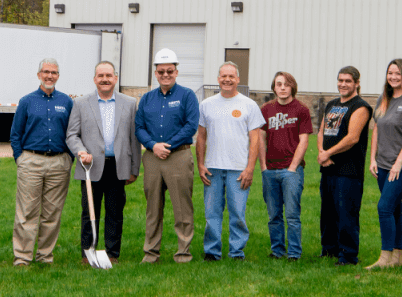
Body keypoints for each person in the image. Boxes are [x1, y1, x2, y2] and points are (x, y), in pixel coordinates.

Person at [66, 61, 141, 264]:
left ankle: (112, 253)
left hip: (118, 166)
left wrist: (134, 169)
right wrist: (81, 152)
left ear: (115, 78)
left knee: (115, 212)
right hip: (91, 166)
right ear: (94, 79)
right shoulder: (81, 103)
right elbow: (72, 134)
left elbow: (134, 138)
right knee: (89, 210)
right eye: (101, 76)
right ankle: (87, 253)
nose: (105, 79)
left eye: (109, 75)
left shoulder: (129, 103)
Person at [136, 48, 200, 264]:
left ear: (176, 71)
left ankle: (183, 253)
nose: (165, 75)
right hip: (153, 158)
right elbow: (139, 127)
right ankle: (151, 252)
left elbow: (191, 125)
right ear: (155, 73)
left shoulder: (187, 95)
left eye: (169, 71)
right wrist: (153, 146)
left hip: (178, 157)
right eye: (161, 71)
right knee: (153, 208)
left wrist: (168, 146)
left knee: (182, 207)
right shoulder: (146, 99)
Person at [196, 62, 265, 261]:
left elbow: (255, 139)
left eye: (231, 76)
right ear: (218, 79)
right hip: (212, 169)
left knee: (237, 214)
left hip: (238, 169)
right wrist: (201, 164)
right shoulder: (207, 105)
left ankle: (236, 252)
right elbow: (201, 137)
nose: (227, 80)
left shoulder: (249, 105)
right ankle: (212, 251)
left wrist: (250, 168)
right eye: (223, 76)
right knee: (212, 214)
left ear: (238, 79)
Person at [10, 58, 73, 266]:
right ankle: (22, 256)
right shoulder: (27, 101)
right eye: (46, 72)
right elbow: (15, 134)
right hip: (31, 161)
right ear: (39, 75)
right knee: (27, 212)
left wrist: (68, 158)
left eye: (54, 72)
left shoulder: (66, 102)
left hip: (59, 163)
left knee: (52, 213)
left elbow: (73, 132)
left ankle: (45, 256)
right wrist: (21, 158)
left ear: (58, 76)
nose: (49, 76)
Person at [366, 59, 402, 270]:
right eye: (390, 73)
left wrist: (398, 163)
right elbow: (377, 129)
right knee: (394, 209)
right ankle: (399, 257)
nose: (393, 77)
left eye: (397, 73)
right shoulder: (384, 99)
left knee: (384, 207)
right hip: (382, 163)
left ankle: (385, 258)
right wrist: (373, 158)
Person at [317, 67, 372, 266]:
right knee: (328, 212)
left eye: (348, 81)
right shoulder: (331, 104)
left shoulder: (361, 106)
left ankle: (348, 255)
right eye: (340, 80)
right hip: (328, 167)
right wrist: (322, 154)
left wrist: (329, 153)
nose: (343, 84)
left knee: (346, 213)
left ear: (357, 83)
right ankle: (329, 250)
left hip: (349, 170)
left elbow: (352, 138)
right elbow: (322, 131)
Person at [259, 71, 313, 261]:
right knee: (274, 216)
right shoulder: (266, 110)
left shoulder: (301, 109)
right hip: (270, 171)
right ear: (274, 87)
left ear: (292, 87)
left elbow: (304, 141)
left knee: (292, 215)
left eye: (286, 84)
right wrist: (264, 167)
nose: (282, 88)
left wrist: (292, 168)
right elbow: (261, 138)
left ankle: (294, 253)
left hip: (291, 171)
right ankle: (278, 251)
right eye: (278, 84)